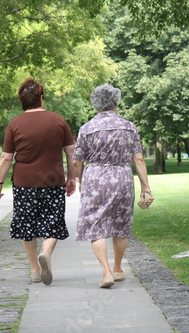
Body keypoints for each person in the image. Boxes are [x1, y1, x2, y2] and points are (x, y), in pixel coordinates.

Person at [0, 78, 76, 285]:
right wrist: (72, 177)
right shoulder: (58, 120)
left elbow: (6, 157)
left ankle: (34, 270)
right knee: (53, 221)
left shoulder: (15, 124)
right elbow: (71, 152)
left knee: (26, 225)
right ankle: (46, 253)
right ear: (40, 97)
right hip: (53, 181)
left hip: (24, 184)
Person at [73, 84, 154, 288]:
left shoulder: (87, 128)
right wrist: (146, 188)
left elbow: (76, 161)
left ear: (96, 103)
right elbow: (139, 159)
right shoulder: (129, 127)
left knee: (95, 225)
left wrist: (81, 180)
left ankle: (106, 272)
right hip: (122, 178)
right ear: (116, 101)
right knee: (120, 224)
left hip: (96, 178)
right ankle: (118, 268)